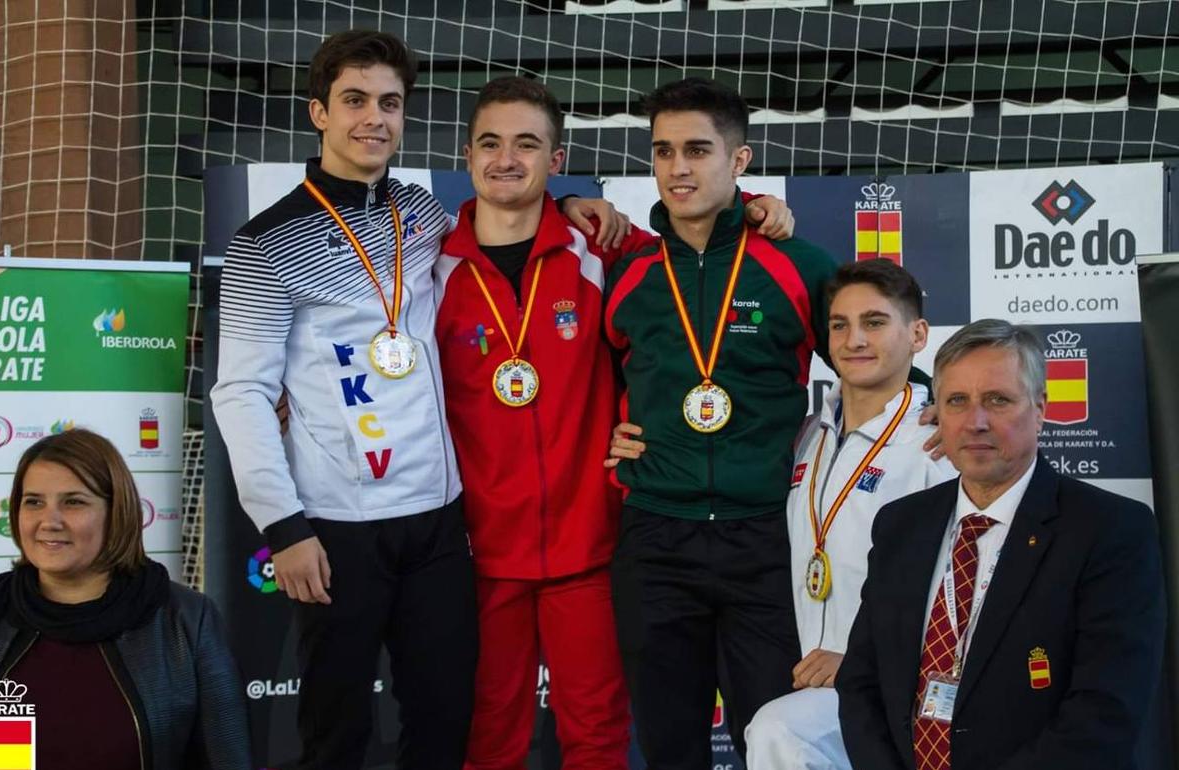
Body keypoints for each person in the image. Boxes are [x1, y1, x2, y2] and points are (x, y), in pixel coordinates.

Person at [209, 30, 633, 770]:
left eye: (389, 103)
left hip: (439, 527)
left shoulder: (421, 218)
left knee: (444, 726)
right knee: (334, 730)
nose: (373, 118)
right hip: (336, 525)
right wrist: (282, 524)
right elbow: (242, 391)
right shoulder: (262, 245)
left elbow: (519, 215)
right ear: (318, 112)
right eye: (354, 101)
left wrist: (576, 203)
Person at [435, 76, 795, 769]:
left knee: (599, 736)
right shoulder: (428, 267)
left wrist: (753, 209)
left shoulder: (602, 250)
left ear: (558, 158)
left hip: (592, 543)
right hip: (480, 550)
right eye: (490, 143)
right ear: (466, 153)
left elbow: (695, 247)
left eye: (527, 144)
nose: (507, 159)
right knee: (488, 737)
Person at [601, 77, 840, 767]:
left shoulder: (796, 263)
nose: (678, 168)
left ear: (739, 161)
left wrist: (927, 412)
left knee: (770, 738)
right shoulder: (628, 271)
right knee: (669, 745)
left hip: (765, 539)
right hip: (656, 537)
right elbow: (585, 384)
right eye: (663, 151)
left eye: (699, 150)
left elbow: (865, 362)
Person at [837, 319, 1166, 770]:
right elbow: (861, 684)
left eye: (998, 400)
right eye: (957, 401)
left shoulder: (1110, 530)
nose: (975, 422)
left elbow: (1103, 713)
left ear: (1040, 409)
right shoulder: (900, 525)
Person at [0, 428, 249, 770]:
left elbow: (228, 759)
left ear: (117, 513)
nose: (49, 521)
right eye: (34, 501)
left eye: (74, 502)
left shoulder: (185, 622)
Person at [743, 259, 956, 770]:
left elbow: (957, 589)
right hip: (820, 682)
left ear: (918, 334)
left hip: (900, 684)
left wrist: (866, 660)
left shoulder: (937, 443)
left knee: (777, 732)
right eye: (840, 325)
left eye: (875, 323)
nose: (854, 339)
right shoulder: (810, 434)